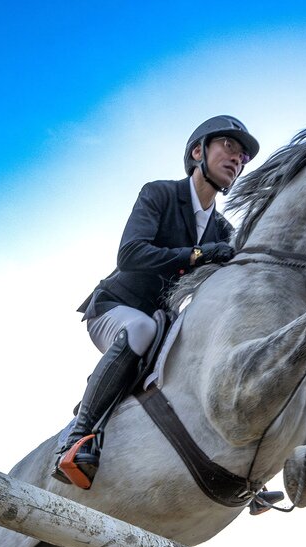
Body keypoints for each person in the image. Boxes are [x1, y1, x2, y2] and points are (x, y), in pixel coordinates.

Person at [53, 115, 260, 488]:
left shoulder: (225, 230)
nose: (237, 159)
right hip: (115, 307)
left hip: (165, 321)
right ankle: (79, 435)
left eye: (243, 156)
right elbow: (131, 254)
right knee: (141, 327)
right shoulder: (160, 193)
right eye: (229, 147)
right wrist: (198, 255)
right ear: (198, 151)